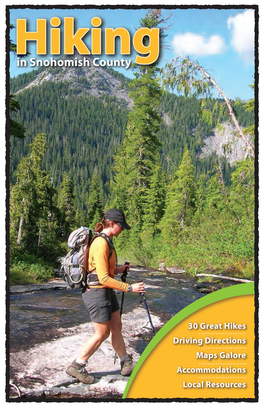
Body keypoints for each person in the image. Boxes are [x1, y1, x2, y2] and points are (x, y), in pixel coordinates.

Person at [66, 208, 145, 384]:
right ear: (111, 223)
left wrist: (118, 269)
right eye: (121, 226)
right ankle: (77, 366)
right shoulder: (101, 243)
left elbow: (102, 270)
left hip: (105, 291)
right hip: (96, 293)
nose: (122, 229)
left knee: (116, 326)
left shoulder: (106, 241)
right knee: (102, 333)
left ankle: (126, 363)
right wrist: (129, 288)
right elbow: (102, 278)